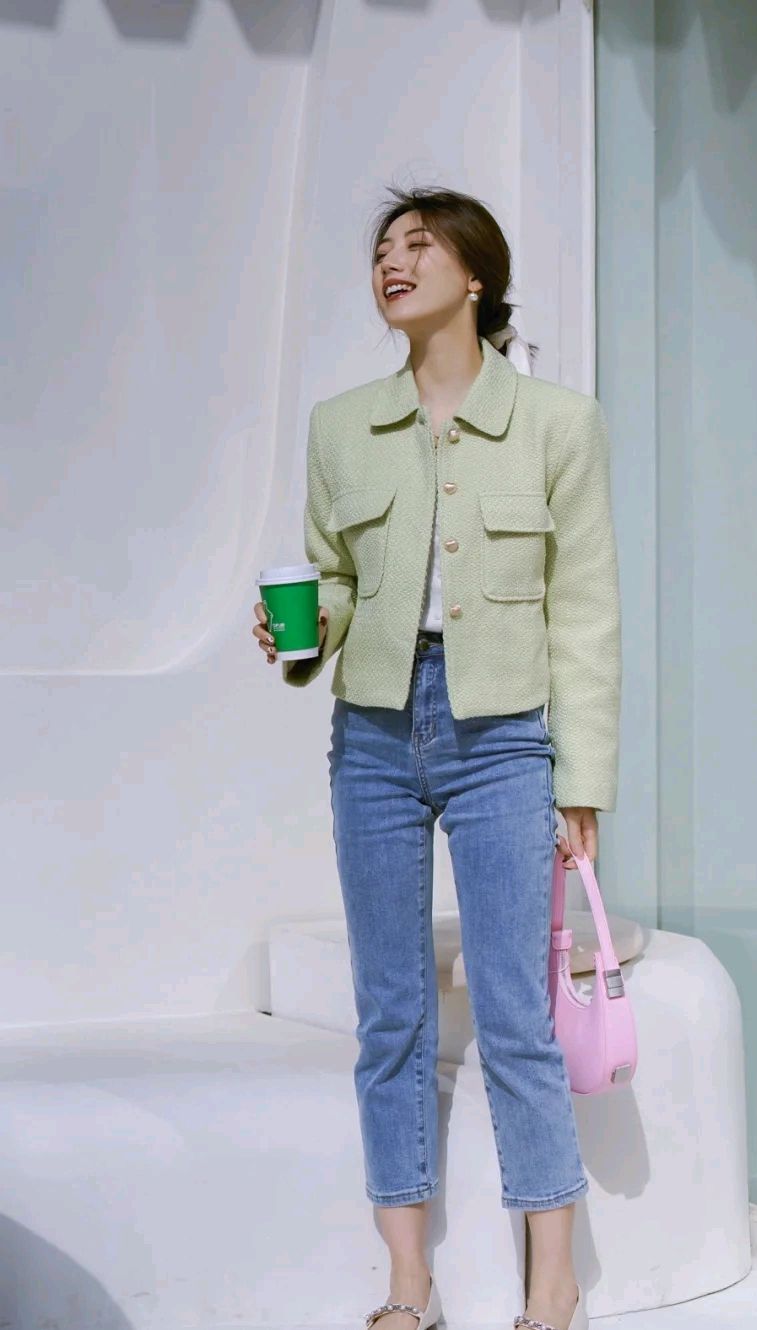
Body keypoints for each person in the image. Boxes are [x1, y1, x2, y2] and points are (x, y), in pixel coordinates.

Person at [252, 185, 620, 1330]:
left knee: (514, 1011)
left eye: (418, 244)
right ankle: (407, 1286)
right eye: (382, 249)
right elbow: (337, 580)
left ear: (475, 275)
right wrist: (296, 634)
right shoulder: (340, 427)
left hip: (503, 735)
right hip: (371, 729)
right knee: (393, 1012)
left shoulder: (559, 423)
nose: (392, 262)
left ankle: (551, 1286)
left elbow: (586, 613)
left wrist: (582, 780)